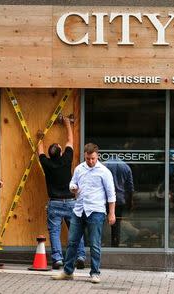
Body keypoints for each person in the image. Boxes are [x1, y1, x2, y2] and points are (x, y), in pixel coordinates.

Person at [52, 143, 116, 283]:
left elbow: (111, 194)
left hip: (96, 210)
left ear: (97, 156)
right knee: (72, 242)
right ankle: (68, 272)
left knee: (94, 244)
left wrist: (112, 213)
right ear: (85, 156)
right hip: (79, 210)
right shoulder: (79, 169)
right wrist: (73, 188)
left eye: (93, 158)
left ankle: (95, 273)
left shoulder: (104, 172)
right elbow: (72, 184)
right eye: (88, 158)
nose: (91, 161)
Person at [38, 116, 86, 270]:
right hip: (71, 201)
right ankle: (80, 256)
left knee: (54, 232)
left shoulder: (46, 163)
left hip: (54, 202)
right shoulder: (66, 159)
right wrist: (67, 124)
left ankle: (58, 259)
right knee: (76, 230)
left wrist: (39, 138)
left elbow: (40, 150)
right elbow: (70, 141)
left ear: (50, 154)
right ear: (60, 151)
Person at [104, 157, 134, 247]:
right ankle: (115, 243)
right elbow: (130, 187)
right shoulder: (125, 167)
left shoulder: (104, 165)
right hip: (120, 199)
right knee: (117, 223)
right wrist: (130, 201)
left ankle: (101, 241)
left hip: (105, 198)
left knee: (101, 221)